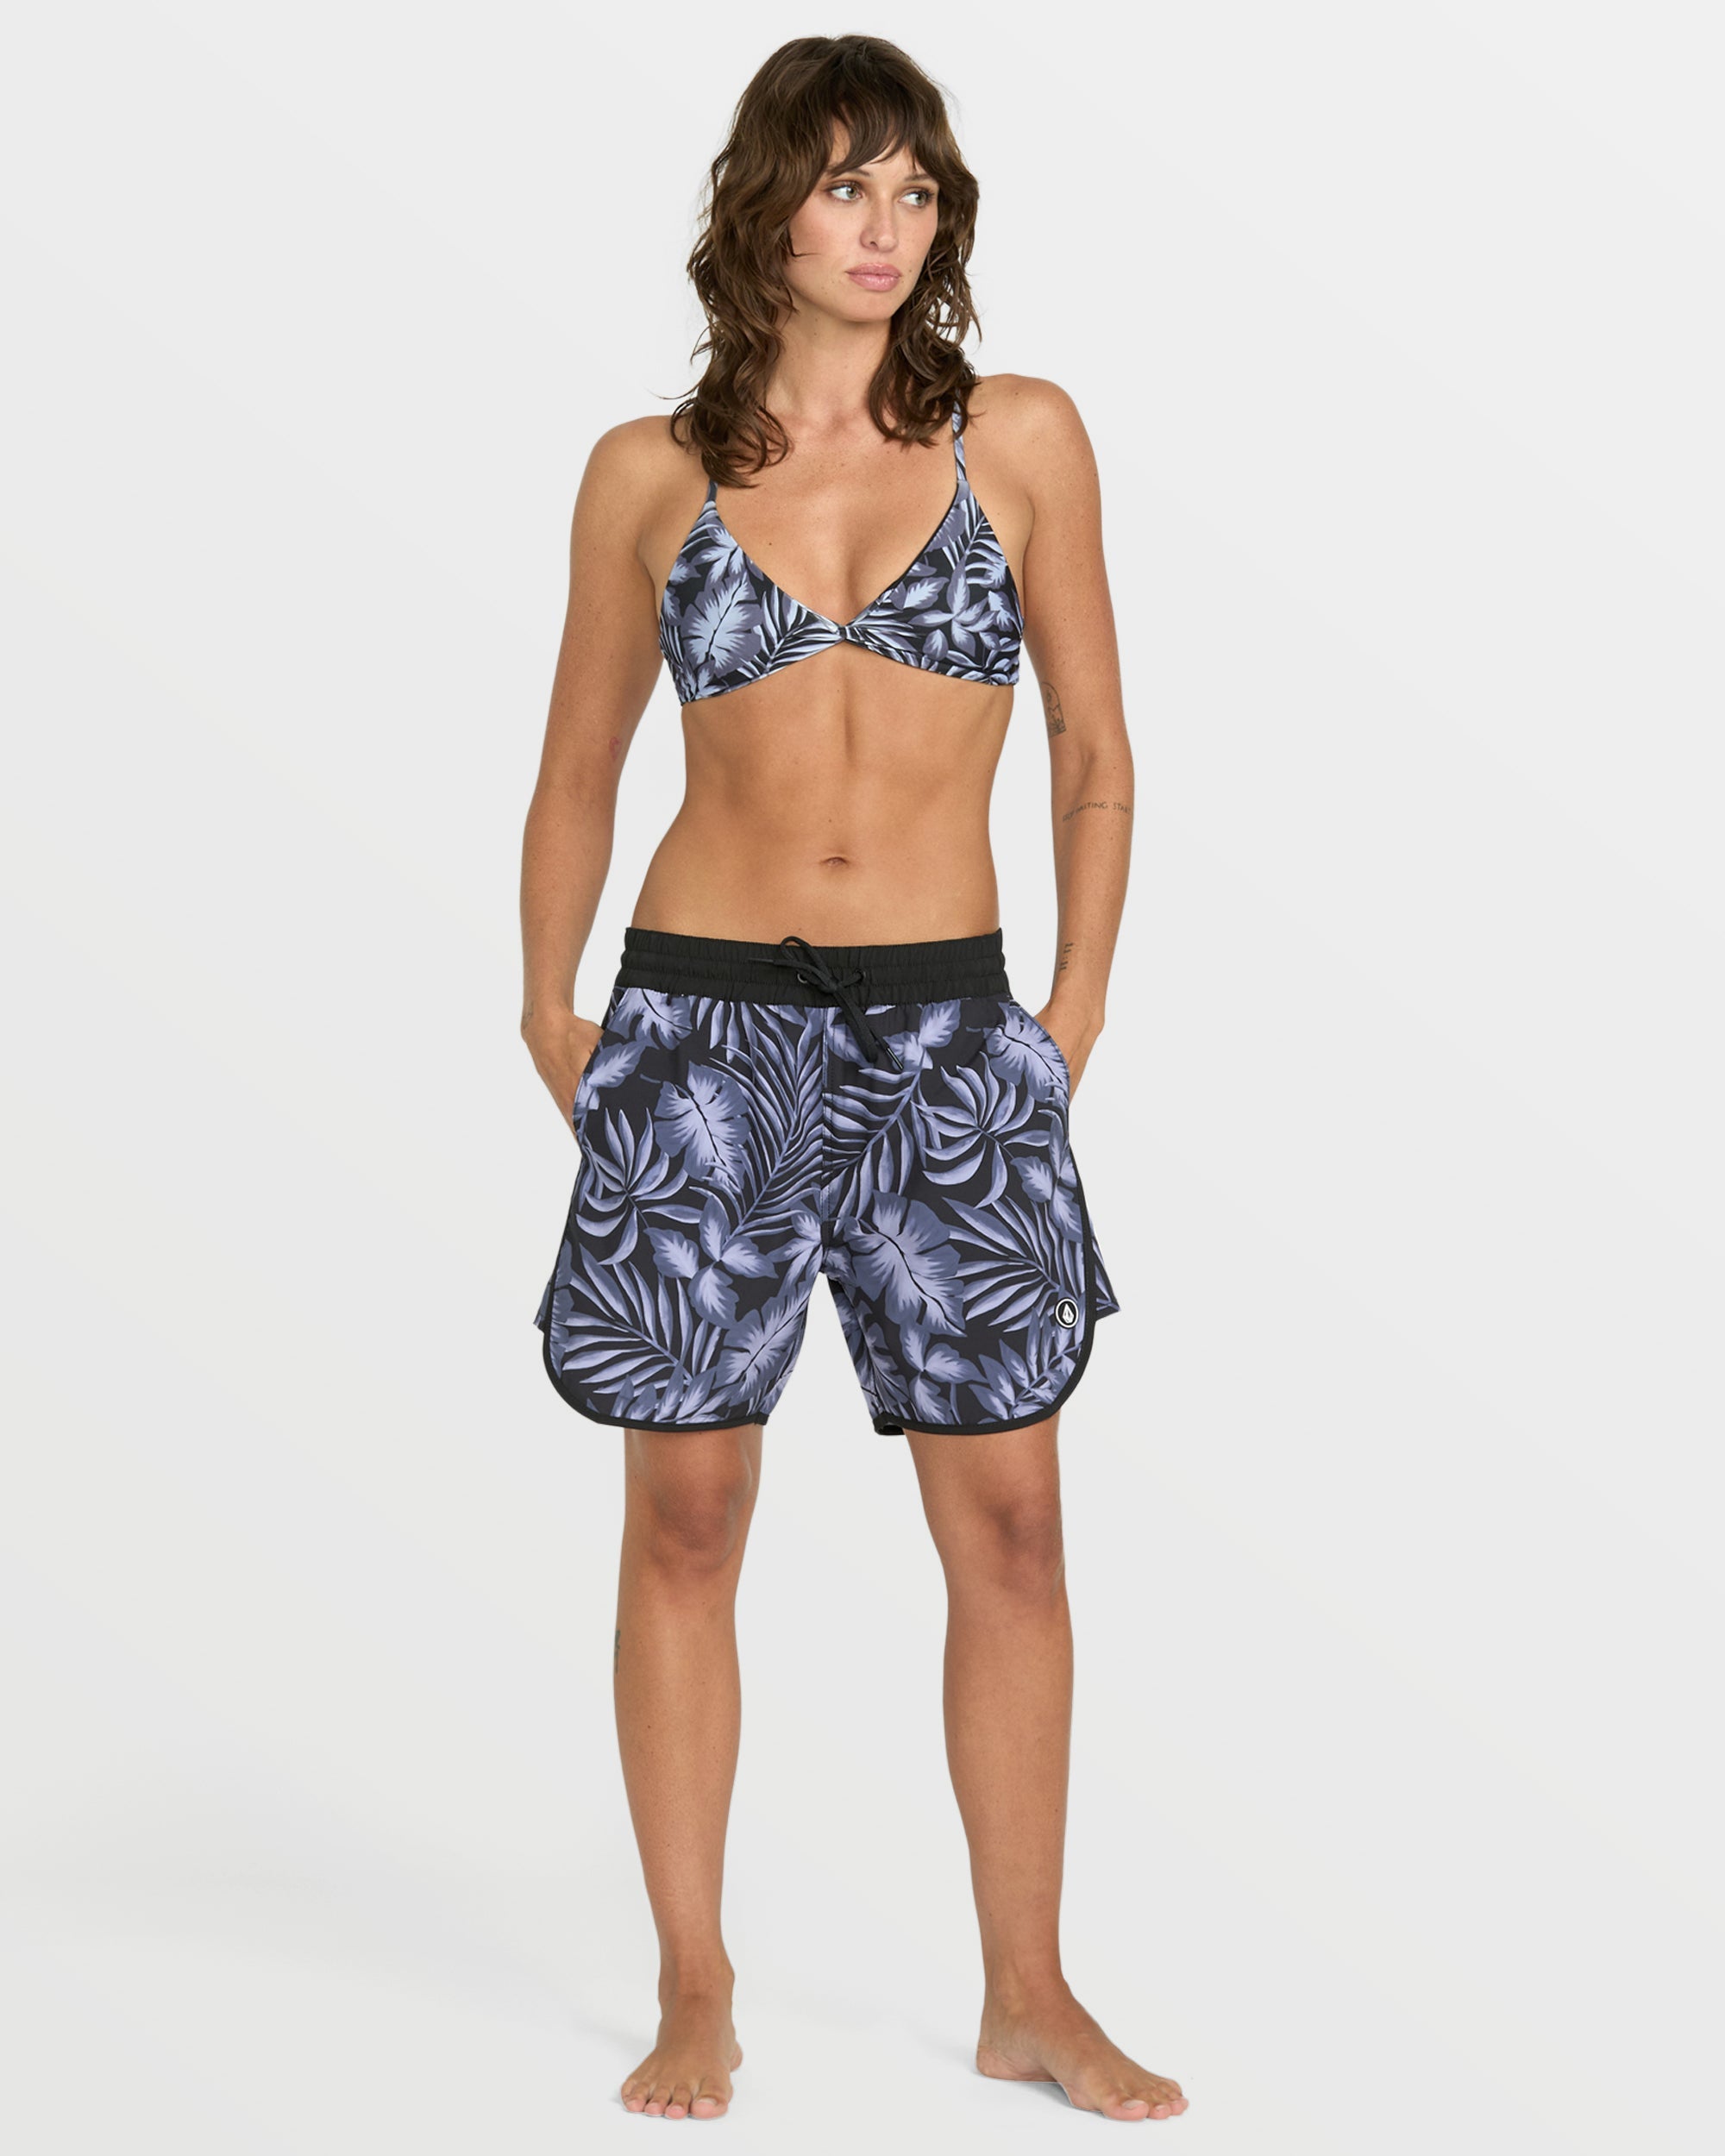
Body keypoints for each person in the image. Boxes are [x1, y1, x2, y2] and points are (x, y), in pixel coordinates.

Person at [519, 33, 1185, 2128]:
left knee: (1014, 1524)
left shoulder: (1021, 439)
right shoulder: (649, 471)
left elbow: (1091, 742)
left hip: (950, 1038)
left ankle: (1027, 1991)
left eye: (914, 191)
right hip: (700, 1027)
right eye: (844, 187)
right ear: (764, 212)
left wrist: (1072, 1006)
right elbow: (576, 766)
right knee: (687, 1514)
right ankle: (694, 1980)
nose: (885, 226)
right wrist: (548, 1008)